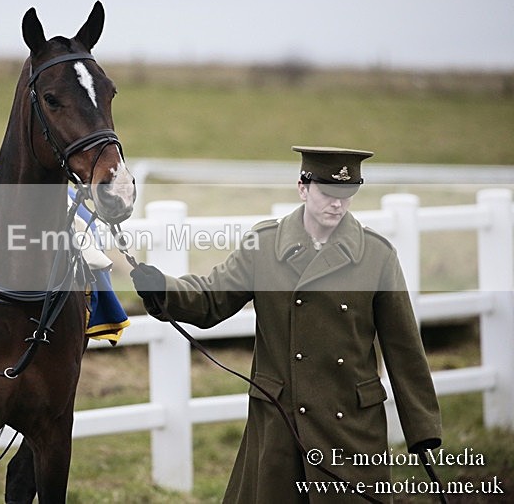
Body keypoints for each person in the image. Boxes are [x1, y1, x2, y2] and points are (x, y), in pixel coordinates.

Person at [130, 146, 441, 503]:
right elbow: (212, 298)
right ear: (303, 188)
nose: (337, 204)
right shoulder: (264, 247)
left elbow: (404, 348)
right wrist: (163, 287)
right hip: (280, 423)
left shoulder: (377, 255)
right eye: (327, 193)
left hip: (351, 426)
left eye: (346, 194)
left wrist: (422, 429)